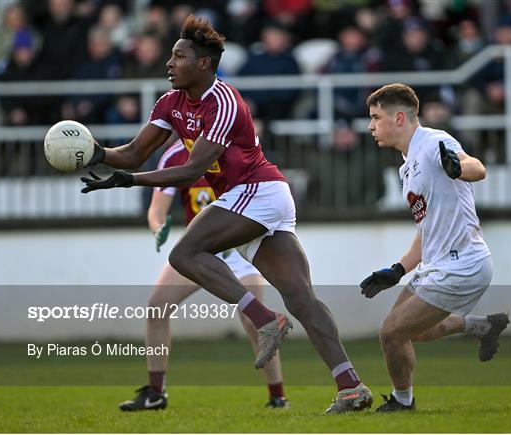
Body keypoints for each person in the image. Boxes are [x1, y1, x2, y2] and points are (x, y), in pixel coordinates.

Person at [80, 14, 373, 414]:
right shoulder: (171, 101)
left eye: (178, 56)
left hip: (257, 191)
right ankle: (351, 385)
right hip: (251, 198)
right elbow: (132, 152)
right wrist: (96, 153)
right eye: (170, 55)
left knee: (183, 254)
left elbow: (192, 170)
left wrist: (129, 181)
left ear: (203, 64)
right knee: (302, 300)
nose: (169, 63)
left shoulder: (224, 101)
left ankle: (264, 319)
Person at [361, 83, 510, 412]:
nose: (371, 126)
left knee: (391, 333)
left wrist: (459, 168)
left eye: (375, 117)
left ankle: (403, 402)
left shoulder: (432, 142)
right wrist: (398, 269)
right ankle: (482, 325)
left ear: (398, 118)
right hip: (437, 263)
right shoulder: (406, 165)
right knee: (416, 333)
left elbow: (476, 167)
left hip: (463, 265)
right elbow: (426, 230)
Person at [119, 138, 289, 411]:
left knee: (253, 320)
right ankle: (155, 393)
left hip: (237, 249)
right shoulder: (174, 155)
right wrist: (157, 227)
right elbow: (156, 209)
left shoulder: (235, 145)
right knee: (157, 307)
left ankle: (278, 397)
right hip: (197, 252)